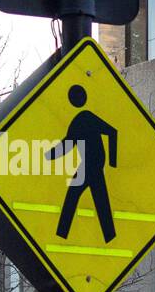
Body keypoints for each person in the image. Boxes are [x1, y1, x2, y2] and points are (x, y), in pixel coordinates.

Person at [48, 84, 119, 243]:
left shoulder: (86, 117)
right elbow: (67, 145)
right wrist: (47, 156)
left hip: (92, 166)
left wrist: (113, 164)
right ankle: (109, 236)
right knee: (99, 202)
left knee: (75, 197)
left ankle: (61, 235)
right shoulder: (78, 121)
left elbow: (112, 132)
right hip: (89, 166)